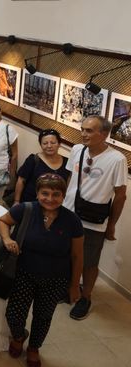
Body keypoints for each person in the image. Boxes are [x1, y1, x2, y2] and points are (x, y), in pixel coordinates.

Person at [0, 174, 84, 367]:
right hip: (24, 273)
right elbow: (4, 221)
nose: (50, 198)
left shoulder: (72, 221)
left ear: (63, 196)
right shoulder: (26, 209)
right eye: (45, 193)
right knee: (14, 314)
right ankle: (19, 336)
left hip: (55, 279)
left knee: (43, 316)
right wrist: (6, 239)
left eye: (56, 194)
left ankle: (34, 348)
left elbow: (78, 257)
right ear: (37, 193)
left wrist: (74, 287)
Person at [62, 116, 127, 320]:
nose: (83, 134)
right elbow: (71, 179)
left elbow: (121, 195)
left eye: (89, 131)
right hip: (69, 213)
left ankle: (86, 297)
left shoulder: (117, 159)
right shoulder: (76, 150)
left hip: (94, 219)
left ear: (104, 134)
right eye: (82, 129)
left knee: (89, 262)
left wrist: (112, 225)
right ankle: (71, 288)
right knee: (67, 255)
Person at [14, 129, 70, 205]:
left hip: (53, 205)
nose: (49, 146)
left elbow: (67, 186)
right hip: (30, 203)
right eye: (45, 143)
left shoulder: (67, 162)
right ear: (40, 145)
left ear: (59, 144)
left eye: (53, 143)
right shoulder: (33, 160)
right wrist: (16, 201)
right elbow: (21, 181)